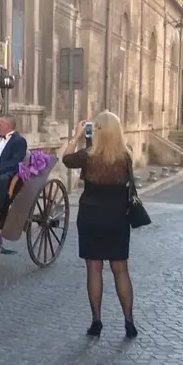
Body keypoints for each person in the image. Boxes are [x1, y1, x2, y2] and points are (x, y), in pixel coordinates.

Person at [62, 112, 138, 339]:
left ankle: (96, 320)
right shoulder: (126, 156)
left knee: (94, 268)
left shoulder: (87, 156)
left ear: (96, 132)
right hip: (117, 217)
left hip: (91, 216)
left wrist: (76, 137)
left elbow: (66, 159)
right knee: (120, 270)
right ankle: (129, 320)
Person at [0, 115, 27, 253]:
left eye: (0, 124)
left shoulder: (19, 141)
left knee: (2, 180)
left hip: (10, 172)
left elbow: (15, 161)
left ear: (8, 126)